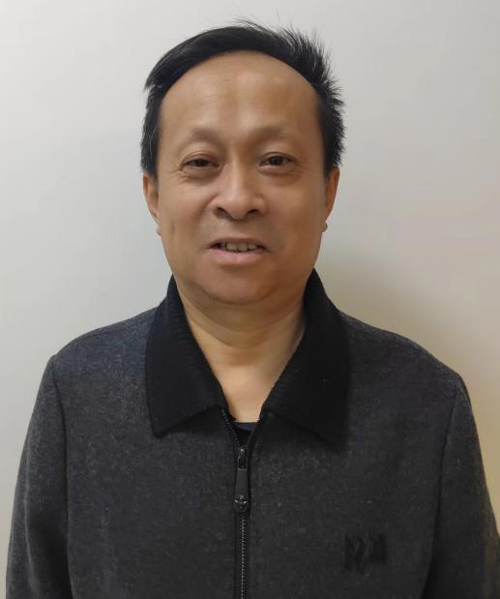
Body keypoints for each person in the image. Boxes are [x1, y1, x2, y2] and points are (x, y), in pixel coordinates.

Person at [6, 18, 500, 599]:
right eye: (200, 162)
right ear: (154, 195)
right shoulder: (78, 394)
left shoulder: (425, 404)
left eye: (276, 160)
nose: (239, 199)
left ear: (328, 192)